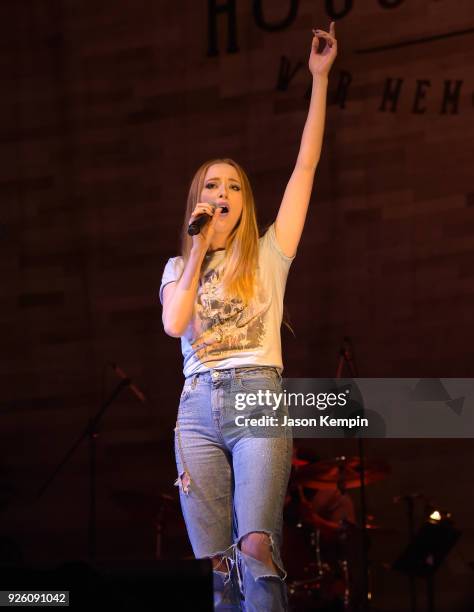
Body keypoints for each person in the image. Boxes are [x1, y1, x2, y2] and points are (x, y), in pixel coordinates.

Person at [159, 23, 337, 612]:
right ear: (197, 200)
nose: (222, 192)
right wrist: (197, 252)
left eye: (233, 185)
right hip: (196, 409)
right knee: (214, 566)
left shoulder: (270, 250)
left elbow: (305, 167)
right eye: (211, 185)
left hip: (257, 394)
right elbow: (173, 322)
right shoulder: (176, 265)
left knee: (256, 544)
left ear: (245, 200)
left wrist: (318, 80)